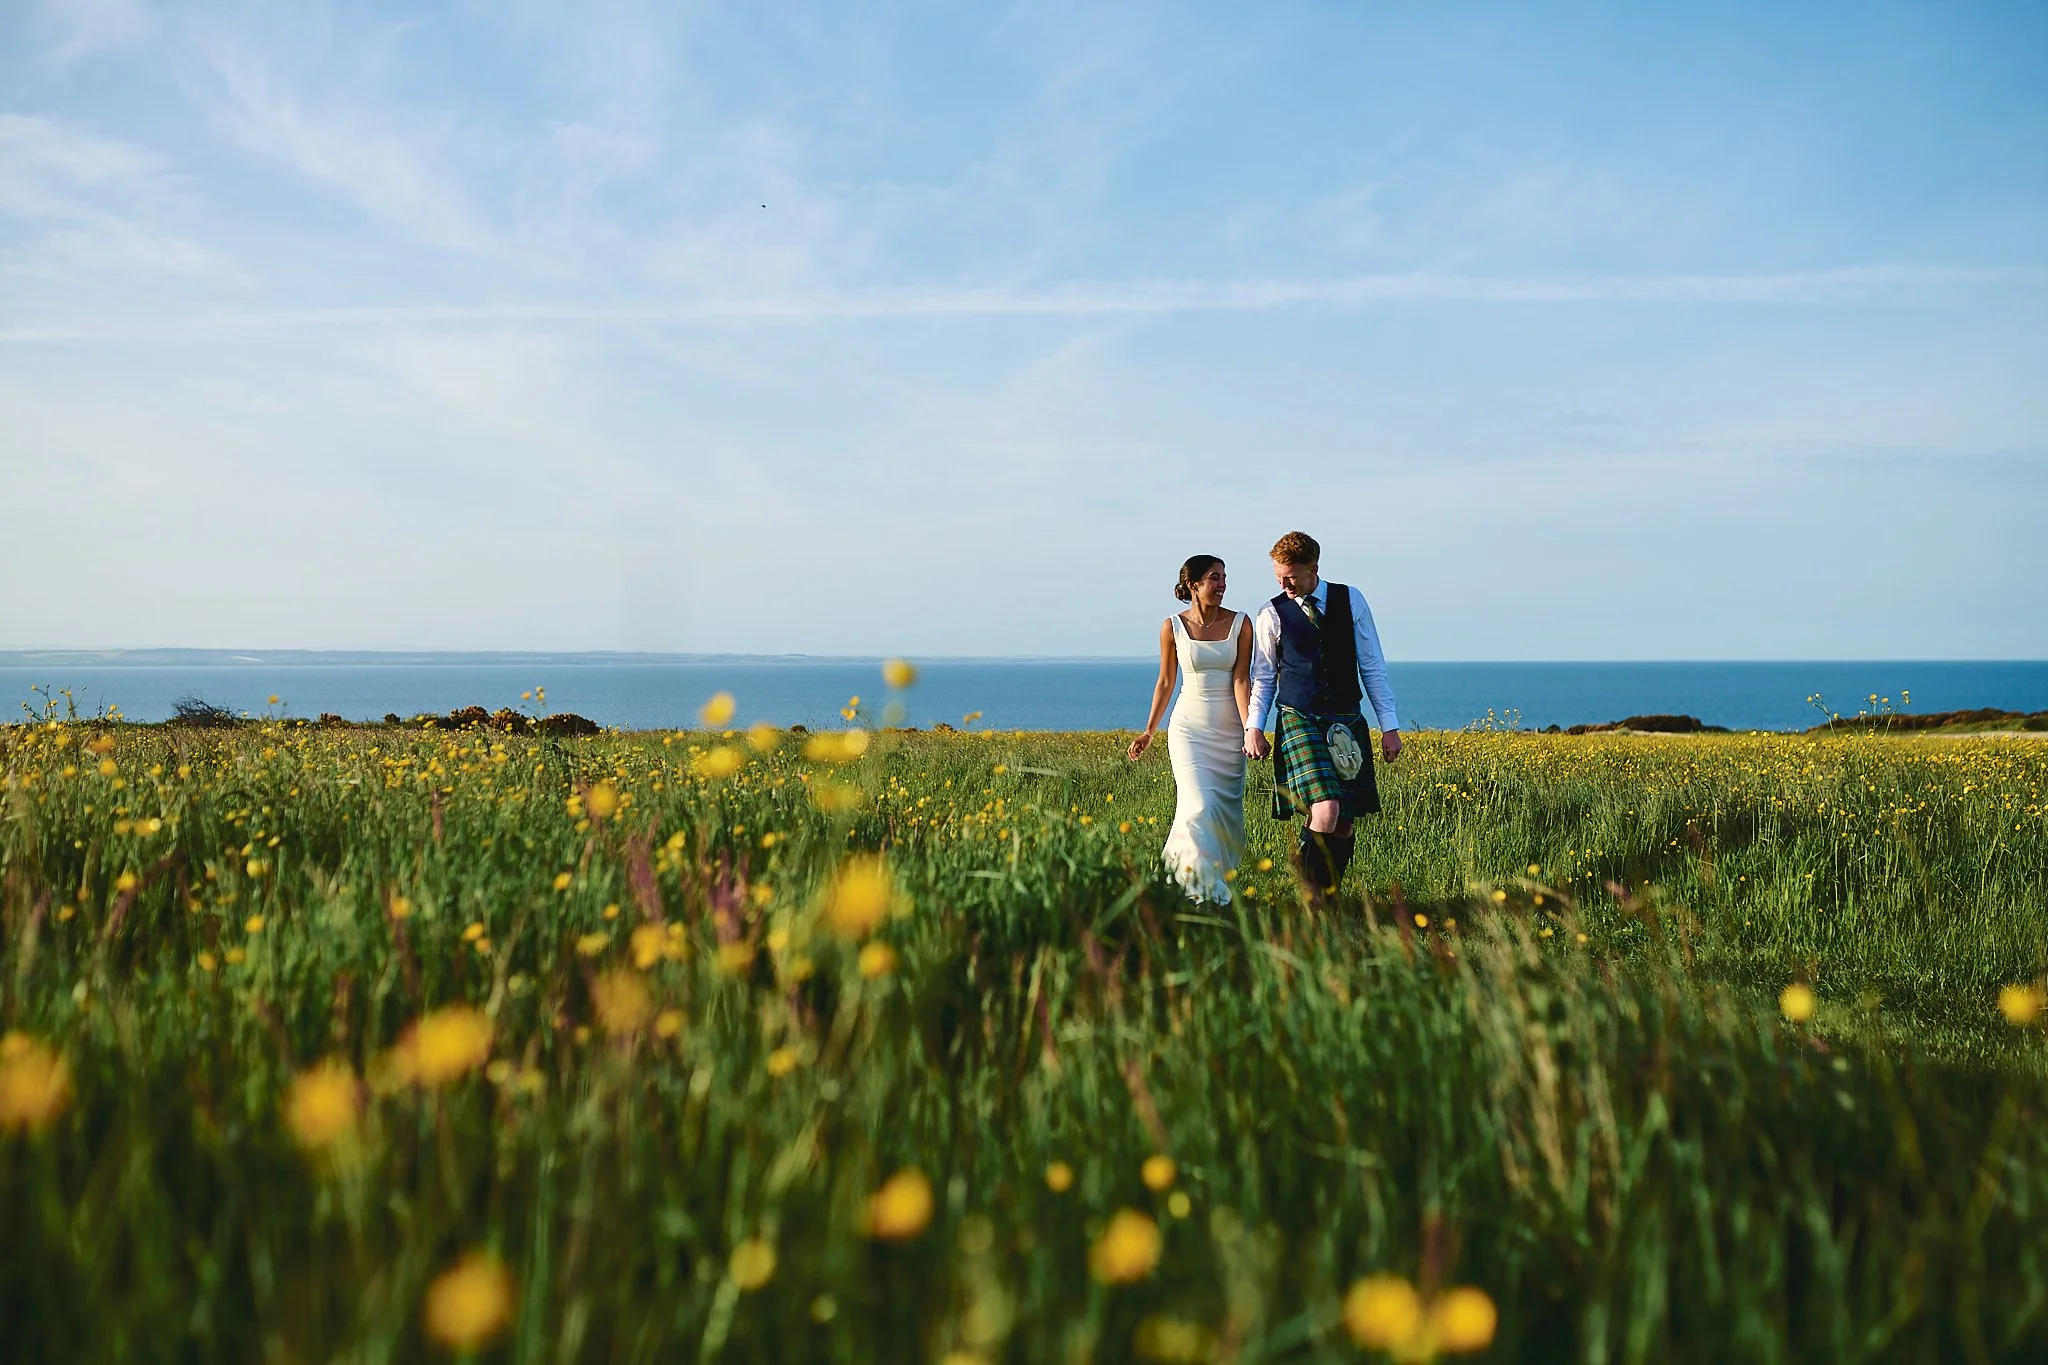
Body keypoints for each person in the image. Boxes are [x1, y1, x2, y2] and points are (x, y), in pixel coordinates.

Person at [1243, 531, 1403, 905]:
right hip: (1299, 716)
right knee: (1327, 809)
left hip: (1346, 717)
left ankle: (1328, 896)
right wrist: (1254, 727)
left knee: (1343, 822)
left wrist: (1389, 726)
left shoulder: (1352, 600)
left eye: (1291, 577)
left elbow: (1372, 665)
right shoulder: (1271, 613)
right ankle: (1311, 899)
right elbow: (1263, 677)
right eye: (1278, 576)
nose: (1284, 585)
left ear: (1313, 568)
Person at [1129, 554, 1252, 903]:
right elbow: (1166, 681)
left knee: (1222, 813)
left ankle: (1181, 883)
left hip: (1229, 731)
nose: (1222, 584)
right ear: (1193, 584)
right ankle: (1203, 893)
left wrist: (1251, 730)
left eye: (1224, 577)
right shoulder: (1172, 627)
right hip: (1188, 729)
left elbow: (1241, 680)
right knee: (1198, 804)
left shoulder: (1241, 624)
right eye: (1215, 577)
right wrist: (1149, 731)